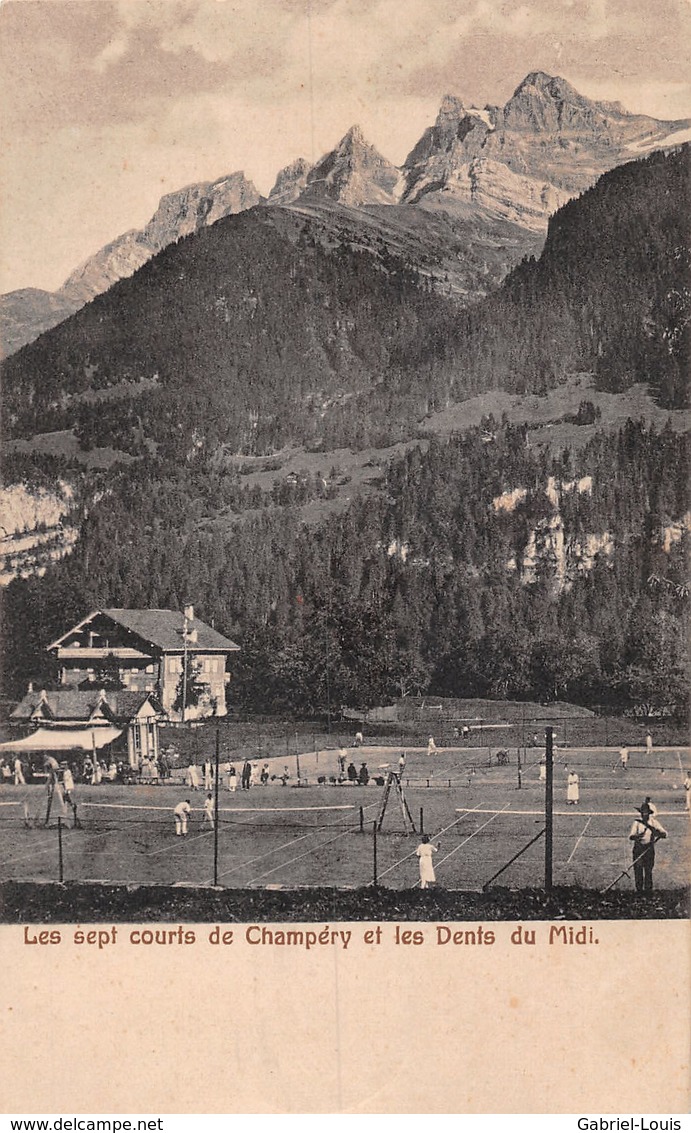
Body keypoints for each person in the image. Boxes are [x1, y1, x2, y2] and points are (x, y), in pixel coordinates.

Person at [629, 802, 667, 893]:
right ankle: (639, 891)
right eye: (642, 812)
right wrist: (638, 836)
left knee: (648, 870)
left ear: (649, 813)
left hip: (649, 849)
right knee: (638, 870)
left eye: (646, 812)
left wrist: (658, 833)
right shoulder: (637, 823)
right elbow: (631, 836)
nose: (644, 814)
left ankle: (648, 891)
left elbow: (664, 834)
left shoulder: (654, 823)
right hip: (638, 849)